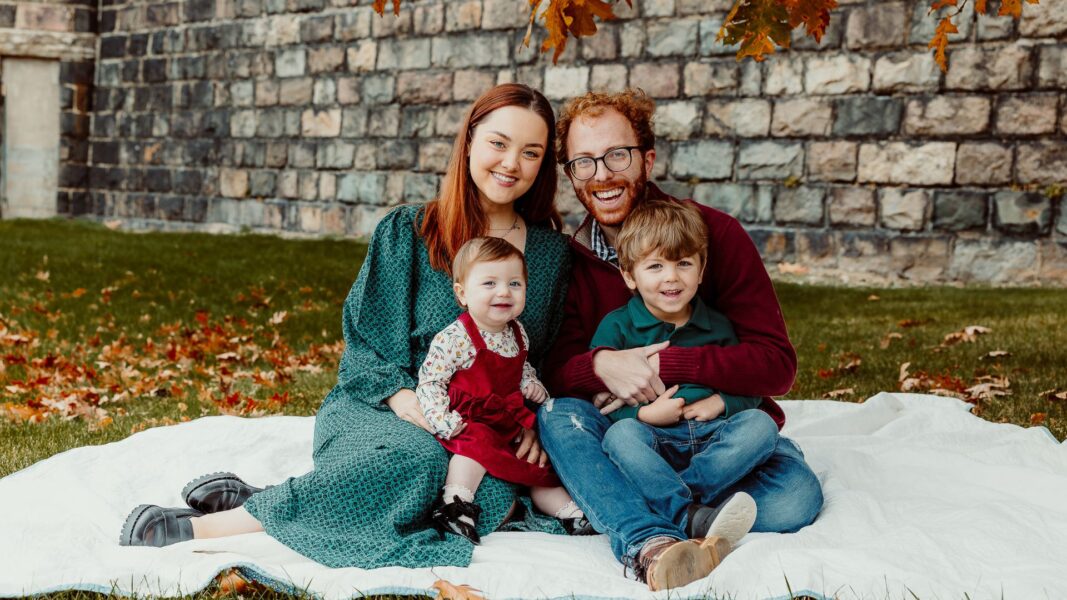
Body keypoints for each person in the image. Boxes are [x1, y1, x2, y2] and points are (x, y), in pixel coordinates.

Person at [119, 84, 574, 570]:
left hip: (480, 430)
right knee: (416, 463)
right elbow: (366, 345)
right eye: (498, 143)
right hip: (384, 405)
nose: (511, 163)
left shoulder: (551, 255)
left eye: (531, 152)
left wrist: (534, 426)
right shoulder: (410, 230)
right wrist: (405, 400)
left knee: (474, 484)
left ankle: (268, 498)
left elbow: (537, 358)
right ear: (469, 143)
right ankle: (198, 529)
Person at [537, 89, 824, 591]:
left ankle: (656, 505)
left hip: (718, 436)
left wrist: (670, 366)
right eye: (583, 162)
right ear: (571, 173)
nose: (601, 174)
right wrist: (602, 365)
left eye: (616, 156)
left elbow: (776, 364)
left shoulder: (714, 236)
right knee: (559, 416)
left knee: (795, 498)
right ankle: (651, 541)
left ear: (647, 158)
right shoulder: (572, 259)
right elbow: (557, 373)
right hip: (639, 440)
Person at [590, 198, 780, 566]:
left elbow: (752, 390)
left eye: (683, 264)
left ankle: (677, 502)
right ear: (629, 275)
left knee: (760, 425)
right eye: (655, 266)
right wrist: (644, 416)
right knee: (619, 437)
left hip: (714, 438)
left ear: (701, 270)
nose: (671, 277)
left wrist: (722, 403)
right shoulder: (617, 328)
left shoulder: (719, 326)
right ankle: (696, 512)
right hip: (656, 442)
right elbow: (605, 405)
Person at [417, 237, 590, 543]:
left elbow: (520, 367)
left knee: (536, 466)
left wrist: (529, 384)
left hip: (506, 421)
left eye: (514, 283)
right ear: (462, 294)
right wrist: (443, 421)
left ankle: (572, 514)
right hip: (468, 418)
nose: (503, 292)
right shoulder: (455, 338)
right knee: (475, 450)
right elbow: (431, 381)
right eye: (489, 283)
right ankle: (456, 506)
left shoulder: (517, 331)